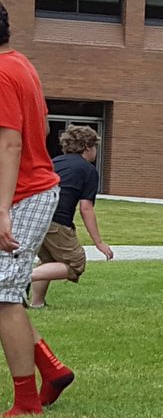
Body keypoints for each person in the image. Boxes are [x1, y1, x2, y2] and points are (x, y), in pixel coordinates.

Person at [0, 1, 75, 417]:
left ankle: (27, 402)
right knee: (3, 294)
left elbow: (9, 143)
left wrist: (2, 210)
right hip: (29, 190)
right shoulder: (21, 64)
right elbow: (43, 129)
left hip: (22, 196)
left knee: (3, 296)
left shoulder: (1, 73)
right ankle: (52, 368)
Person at [28, 125, 113, 308]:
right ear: (88, 147)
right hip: (57, 220)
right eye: (95, 147)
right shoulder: (88, 170)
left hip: (35, 217)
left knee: (49, 261)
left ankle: (37, 303)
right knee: (75, 264)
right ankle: (23, 277)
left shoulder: (54, 162)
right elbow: (86, 208)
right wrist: (99, 242)